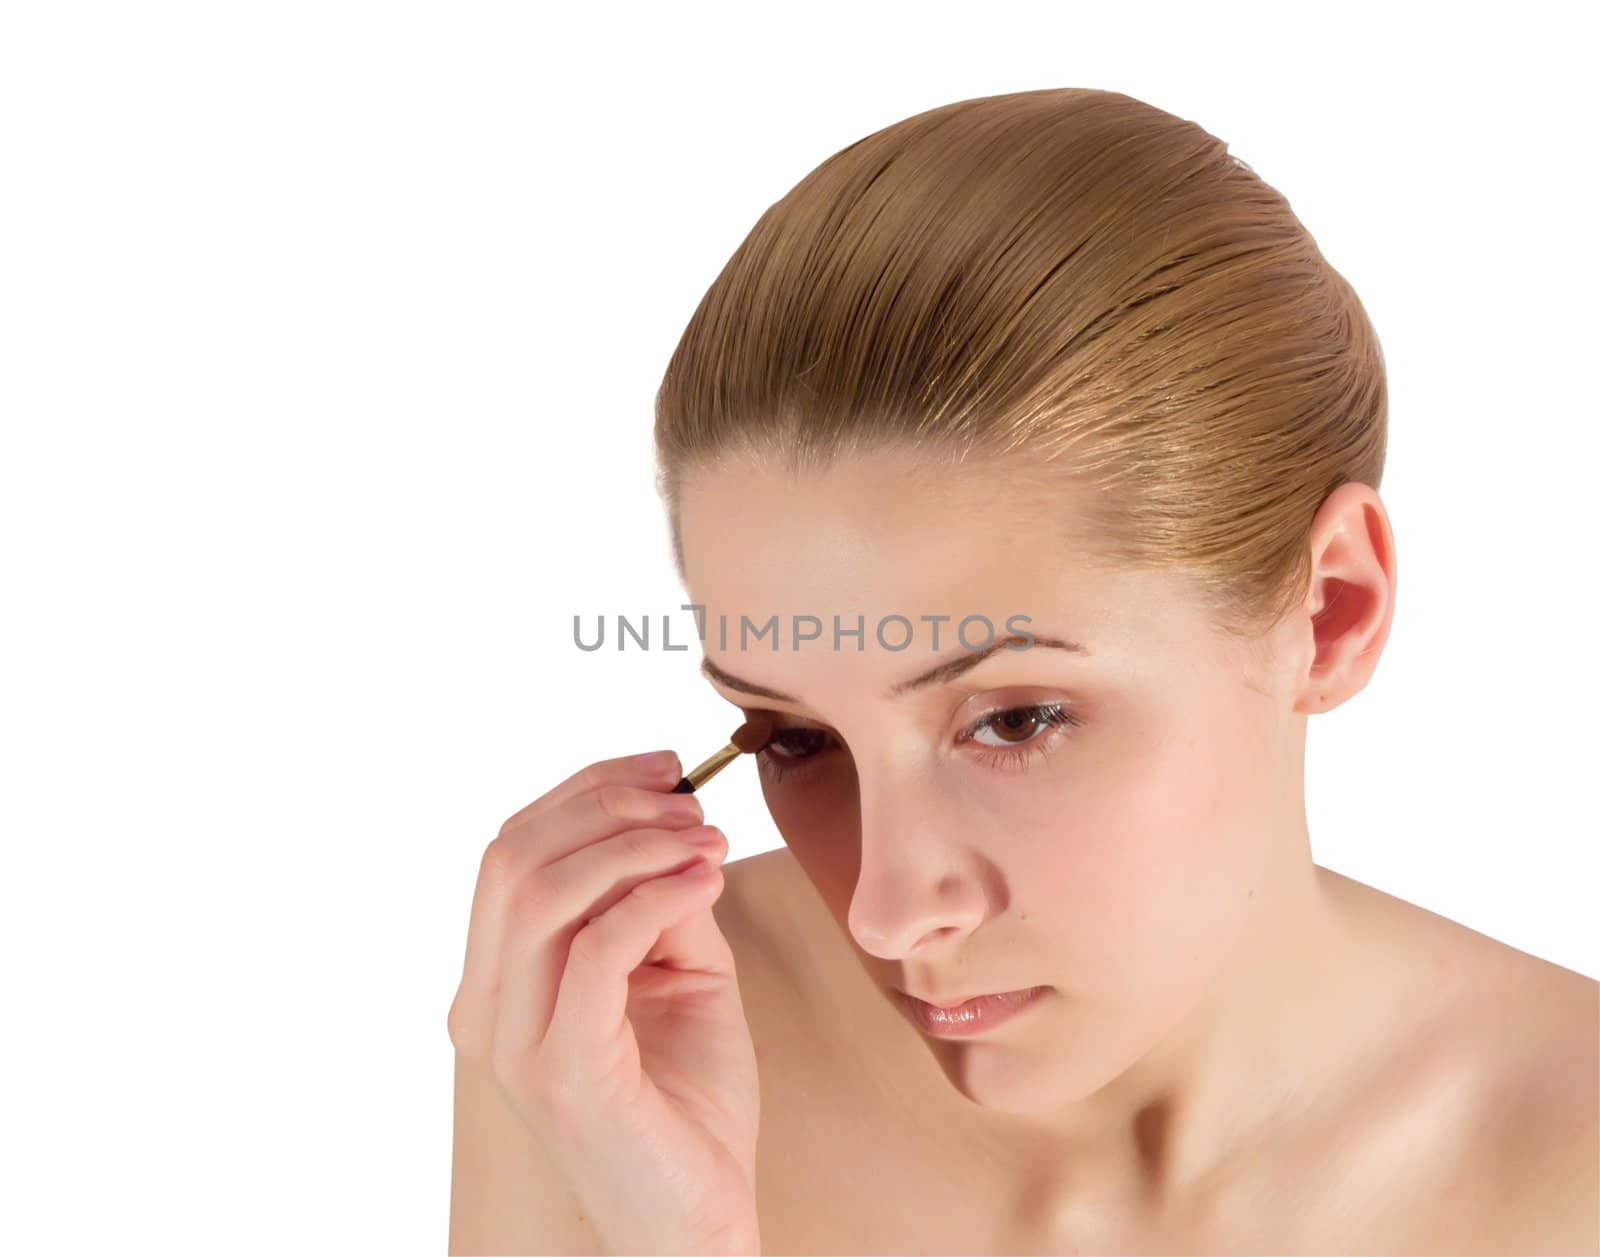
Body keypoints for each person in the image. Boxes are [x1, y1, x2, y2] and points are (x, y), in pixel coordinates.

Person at [448, 87, 1599, 1255]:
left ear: (1331, 610)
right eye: (794, 738)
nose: (888, 912)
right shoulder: (604, 1051)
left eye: (1014, 719)